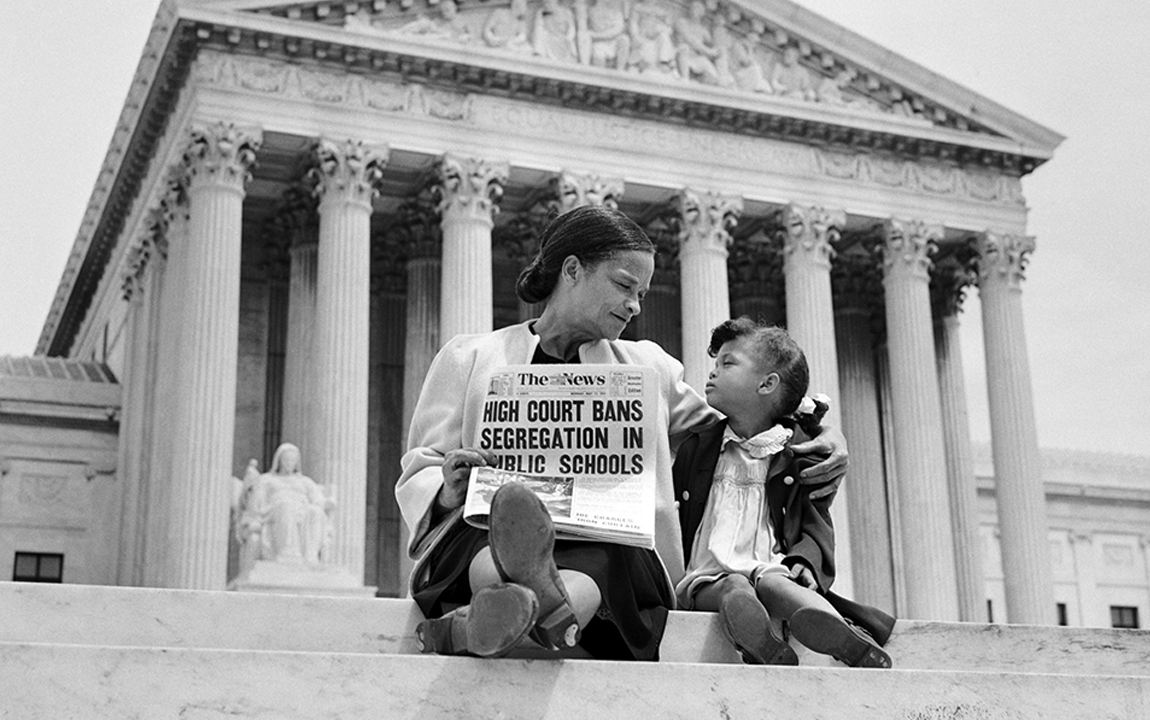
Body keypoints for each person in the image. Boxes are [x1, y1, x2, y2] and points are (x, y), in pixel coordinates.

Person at [396, 205, 849, 660]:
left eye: (643, 294)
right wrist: (449, 487)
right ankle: (538, 605)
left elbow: (739, 430)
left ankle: (500, 613)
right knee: (497, 531)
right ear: (572, 270)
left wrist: (813, 429)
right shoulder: (470, 357)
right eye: (623, 285)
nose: (634, 305)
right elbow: (423, 464)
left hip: (609, 542)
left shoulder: (649, 367)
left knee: (605, 552)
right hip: (491, 526)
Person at [673, 318, 894, 667]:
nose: (712, 373)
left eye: (727, 363)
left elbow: (814, 517)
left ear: (767, 384)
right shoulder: (697, 446)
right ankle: (759, 638)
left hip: (769, 562)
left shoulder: (795, 453)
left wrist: (807, 561)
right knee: (731, 588)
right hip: (707, 571)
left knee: (779, 586)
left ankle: (845, 636)